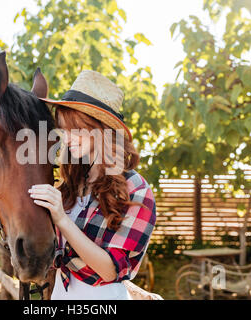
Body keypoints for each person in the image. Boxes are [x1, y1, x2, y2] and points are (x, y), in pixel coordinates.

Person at [28, 70, 156, 299]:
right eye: (62, 129)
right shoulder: (72, 185)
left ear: (101, 130)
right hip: (61, 293)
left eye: (74, 129)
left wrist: (61, 219)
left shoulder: (136, 189)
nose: (66, 139)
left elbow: (108, 271)